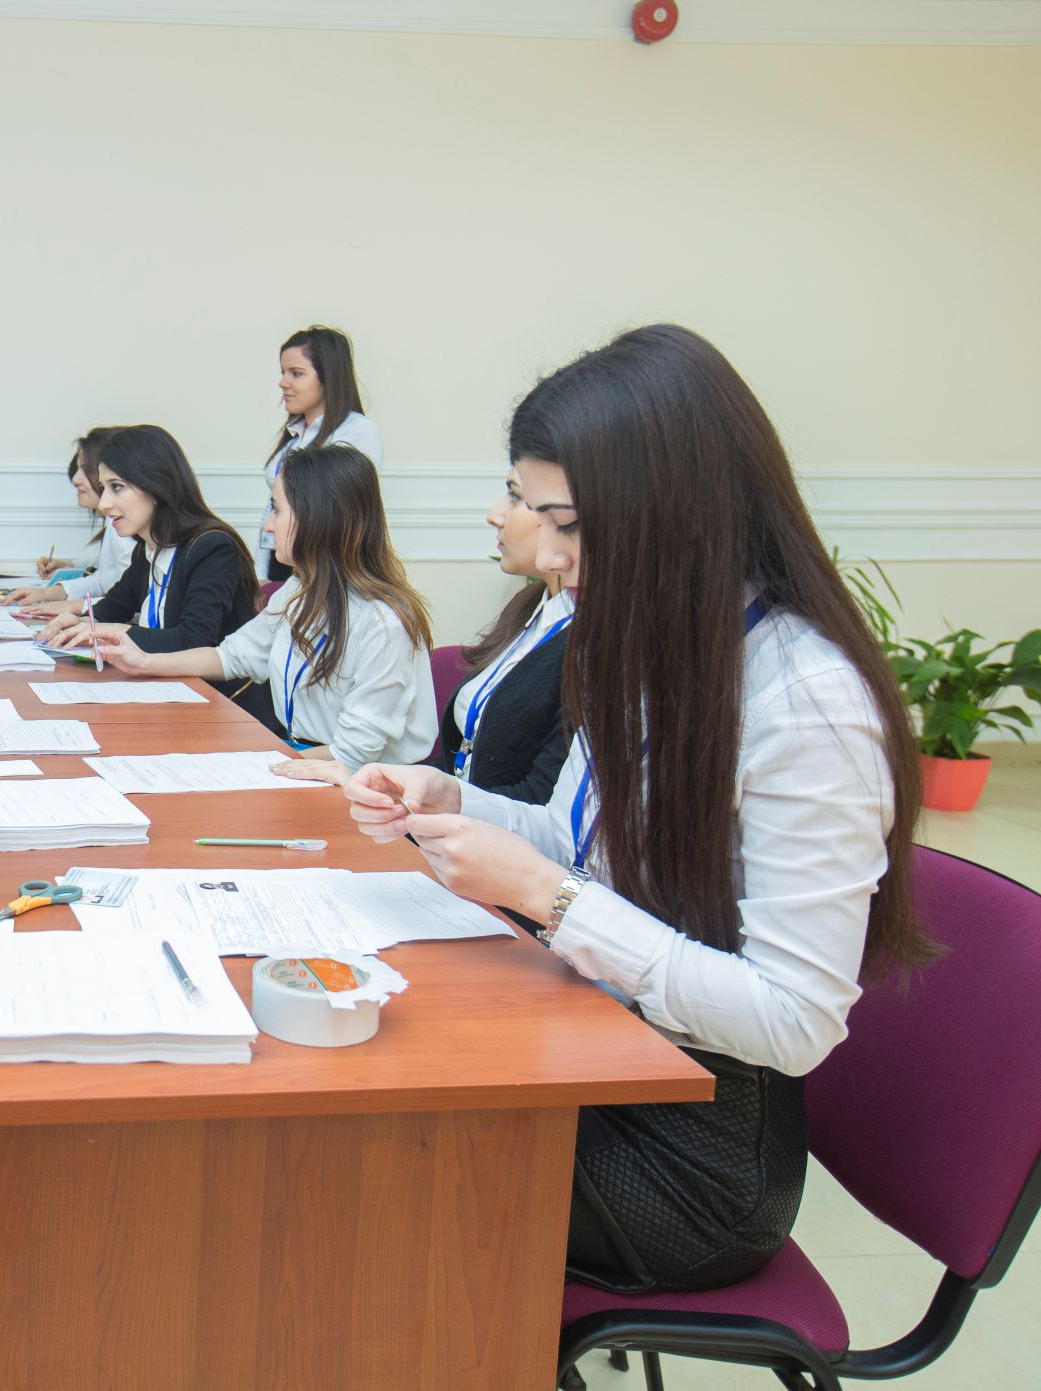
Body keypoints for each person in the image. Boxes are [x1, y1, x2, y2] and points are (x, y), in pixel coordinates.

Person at [342, 324, 931, 1295]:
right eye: (539, 516)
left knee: (349, 1151)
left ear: (674, 511)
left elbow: (794, 1020)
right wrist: (453, 798)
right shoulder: (653, 643)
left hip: (686, 1154)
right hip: (597, 1044)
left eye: (568, 524)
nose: (548, 556)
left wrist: (553, 898)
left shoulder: (805, 700)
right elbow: (577, 841)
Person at [96, 441, 434, 778]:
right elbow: (233, 656)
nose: (268, 525)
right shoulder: (299, 589)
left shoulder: (383, 623)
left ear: (317, 517)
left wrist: (253, 764)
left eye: (277, 510)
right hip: (305, 760)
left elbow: (351, 755)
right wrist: (145, 662)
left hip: (363, 785)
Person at [36, 424, 259, 656]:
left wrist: (110, 631)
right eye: (103, 489)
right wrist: (78, 623)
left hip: (210, 681)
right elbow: (112, 608)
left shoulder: (212, 548)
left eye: (116, 487)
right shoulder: (147, 548)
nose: (103, 504)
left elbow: (195, 641)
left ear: (156, 485)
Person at [436, 465, 579, 803]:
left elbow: (541, 799)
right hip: (456, 821)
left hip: (488, 830)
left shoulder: (590, 645)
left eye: (515, 496)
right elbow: (458, 762)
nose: (495, 515)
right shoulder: (530, 604)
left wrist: (428, 807)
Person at [258, 326, 383, 581]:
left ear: (329, 377)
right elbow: (272, 508)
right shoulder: (294, 435)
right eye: (283, 372)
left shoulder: (357, 431)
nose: (283, 383)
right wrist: (260, 573)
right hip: (281, 561)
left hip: (323, 569)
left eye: (296, 373)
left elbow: (346, 512)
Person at [4, 429, 134, 615]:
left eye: (86, 470)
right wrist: (51, 591)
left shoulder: (124, 527)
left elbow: (130, 601)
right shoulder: (113, 523)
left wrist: (73, 605)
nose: (75, 479)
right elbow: (105, 578)